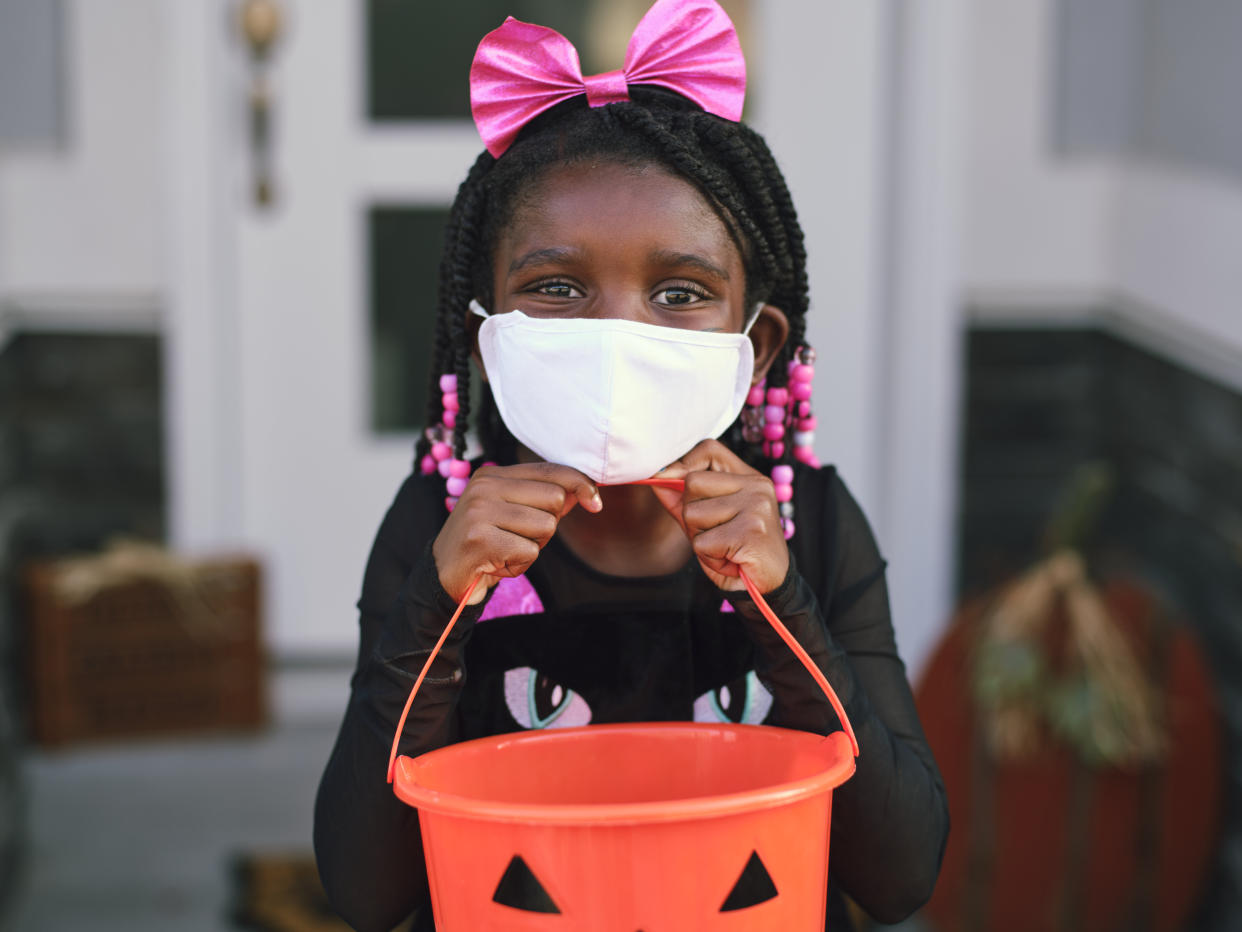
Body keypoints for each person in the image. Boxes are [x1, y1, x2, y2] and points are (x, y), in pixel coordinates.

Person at [314, 2, 948, 929]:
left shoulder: (806, 517)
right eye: (557, 288)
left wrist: (783, 605)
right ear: (488, 340)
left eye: (680, 293)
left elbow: (899, 876)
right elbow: (369, 893)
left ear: (755, 347)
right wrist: (441, 602)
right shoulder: (440, 520)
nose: (617, 332)